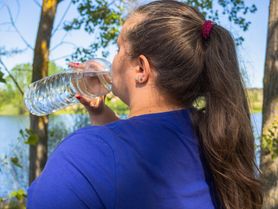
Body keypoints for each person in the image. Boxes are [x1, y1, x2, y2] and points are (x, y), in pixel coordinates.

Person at [27, 1, 263, 209]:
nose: (112, 59)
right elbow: (138, 154)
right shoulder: (217, 139)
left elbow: (115, 160)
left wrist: (102, 136)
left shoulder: (81, 155)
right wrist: (100, 113)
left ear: (141, 69)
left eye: (119, 48)